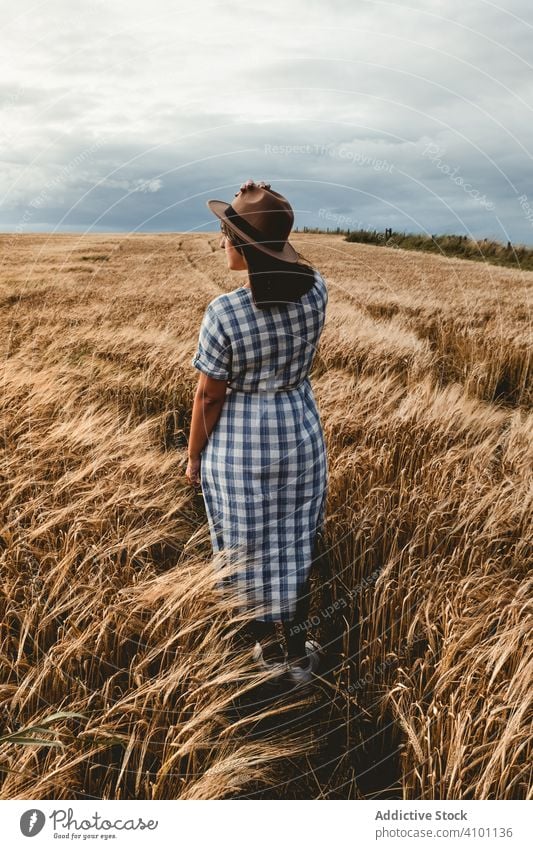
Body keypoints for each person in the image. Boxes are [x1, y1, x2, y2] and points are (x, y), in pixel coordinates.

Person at [186, 179, 328, 686]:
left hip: (240, 447)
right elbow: (293, 266)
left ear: (243, 247)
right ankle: (296, 654)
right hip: (301, 433)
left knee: (246, 544)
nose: (221, 242)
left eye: (227, 234)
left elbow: (209, 397)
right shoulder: (317, 290)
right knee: (294, 539)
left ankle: (263, 656)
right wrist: (265, 206)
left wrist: (191, 458)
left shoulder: (224, 314)